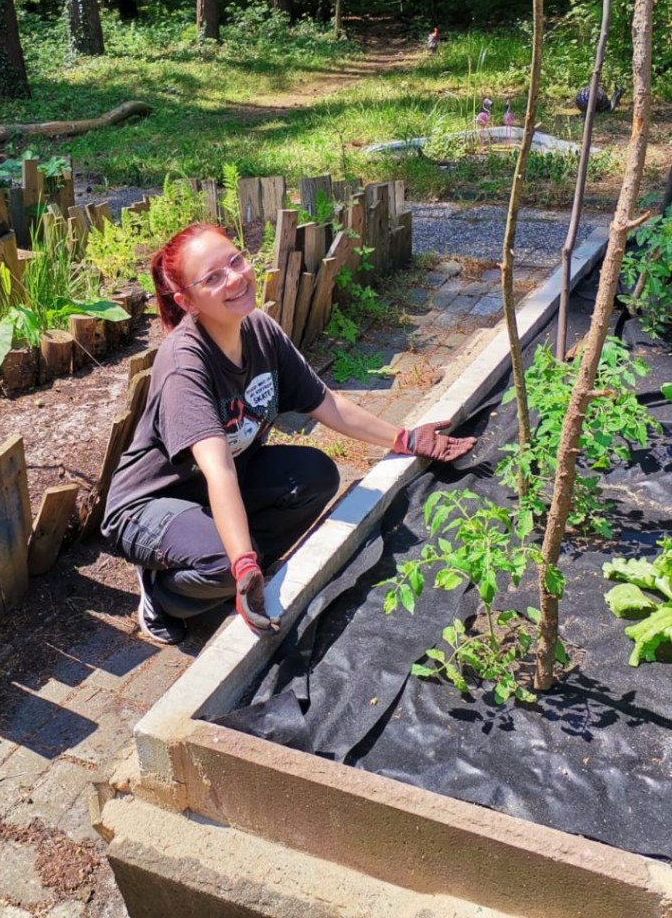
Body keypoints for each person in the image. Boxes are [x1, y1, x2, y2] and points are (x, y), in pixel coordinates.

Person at [101, 223, 475, 645]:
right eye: (213, 278)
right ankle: (164, 594)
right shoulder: (185, 364)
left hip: (215, 486)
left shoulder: (259, 330)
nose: (236, 277)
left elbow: (326, 403)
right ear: (187, 301)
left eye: (236, 261)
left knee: (314, 475)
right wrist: (242, 564)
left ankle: (228, 572)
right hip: (152, 503)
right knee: (227, 563)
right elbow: (219, 470)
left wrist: (406, 439)